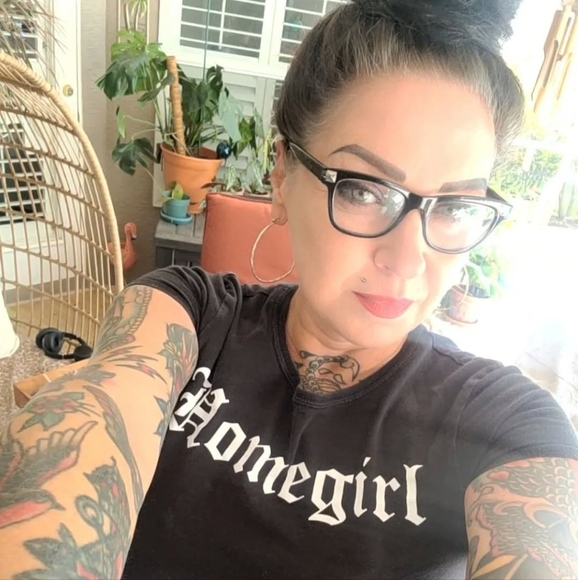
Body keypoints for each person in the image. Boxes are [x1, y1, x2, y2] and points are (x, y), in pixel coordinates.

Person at [1, 0, 577, 578]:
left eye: (454, 207)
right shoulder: (187, 313)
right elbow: (93, 418)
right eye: (363, 190)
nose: (407, 260)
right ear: (282, 177)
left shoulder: (502, 422)